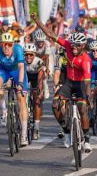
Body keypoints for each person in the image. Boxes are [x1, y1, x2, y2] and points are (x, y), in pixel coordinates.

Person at [32, 13, 93, 153]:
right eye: (72, 45)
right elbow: (50, 34)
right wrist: (36, 21)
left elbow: (87, 82)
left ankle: (87, 140)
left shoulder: (86, 60)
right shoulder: (68, 46)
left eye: (76, 46)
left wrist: (88, 97)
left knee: (82, 108)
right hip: (69, 82)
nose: (73, 48)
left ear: (83, 46)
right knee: (55, 104)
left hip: (81, 85)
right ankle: (66, 131)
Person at [0, 32, 29, 147]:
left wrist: (21, 83)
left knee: (21, 98)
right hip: (4, 71)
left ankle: (24, 134)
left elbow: (21, 67)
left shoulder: (17, 49)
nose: (6, 47)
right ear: (1, 44)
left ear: (12, 44)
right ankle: (4, 112)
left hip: (17, 71)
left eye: (8, 44)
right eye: (4, 44)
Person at [23, 43, 44, 140]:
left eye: (31, 54)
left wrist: (39, 89)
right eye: (26, 54)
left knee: (37, 100)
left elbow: (40, 78)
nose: (28, 57)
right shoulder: (21, 61)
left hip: (36, 77)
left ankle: (36, 127)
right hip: (26, 76)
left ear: (34, 55)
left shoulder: (38, 62)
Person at [33, 29, 51, 99]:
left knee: (45, 72)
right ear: (36, 41)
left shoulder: (47, 44)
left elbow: (47, 57)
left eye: (42, 42)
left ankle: (45, 86)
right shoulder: (34, 45)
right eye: (38, 42)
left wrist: (47, 68)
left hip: (46, 58)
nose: (40, 43)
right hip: (37, 58)